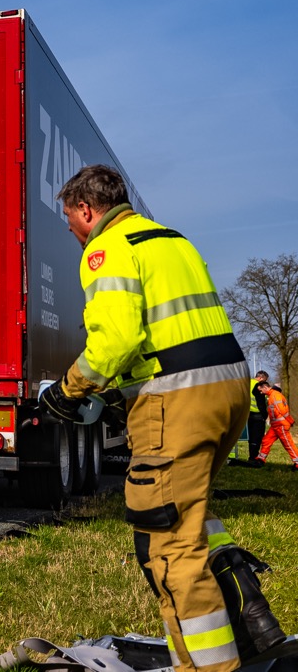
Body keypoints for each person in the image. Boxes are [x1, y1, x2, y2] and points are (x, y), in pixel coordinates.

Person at [40, 165, 286, 670]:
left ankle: (210, 664)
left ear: (87, 210)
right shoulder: (172, 239)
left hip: (176, 400)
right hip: (229, 390)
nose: (71, 231)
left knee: (167, 541)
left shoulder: (106, 250)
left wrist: (68, 391)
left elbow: (115, 339)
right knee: (190, 513)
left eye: (70, 219)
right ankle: (255, 619)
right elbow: (164, 331)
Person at [255, 379, 298, 469]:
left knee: (288, 444)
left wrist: (290, 421)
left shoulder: (274, 395)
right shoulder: (272, 395)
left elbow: (282, 410)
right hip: (276, 425)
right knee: (266, 440)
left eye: (261, 390)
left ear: (265, 387)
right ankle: (261, 459)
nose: (261, 393)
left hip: (281, 424)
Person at [247, 372, 270, 463]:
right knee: (257, 438)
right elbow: (261, 402)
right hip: (258, 415)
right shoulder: (259, 386)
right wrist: (265, 414)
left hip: (248, 414)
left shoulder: (247, 382)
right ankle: (253, 458)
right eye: (265, 381)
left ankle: (252, 456)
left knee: (251, 437)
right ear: (261, 378)